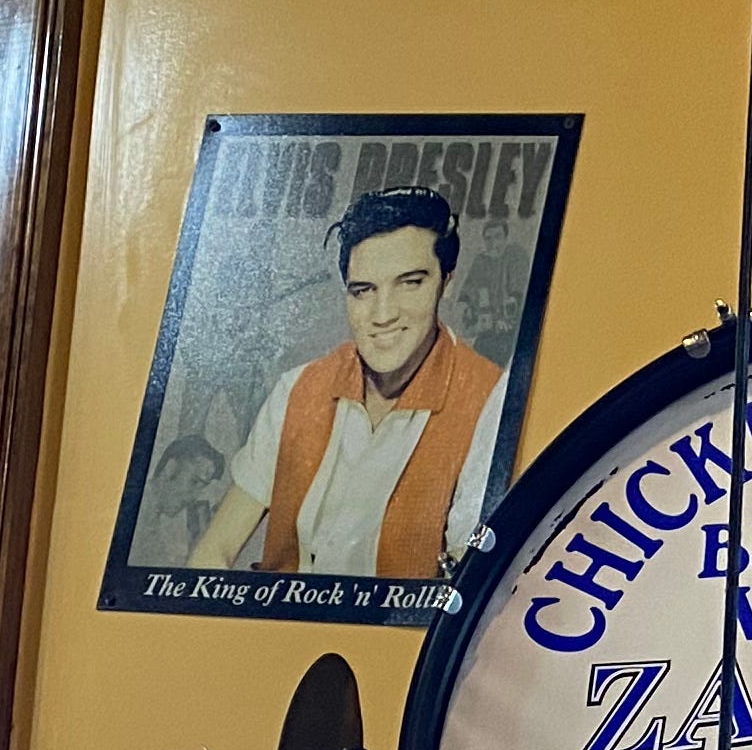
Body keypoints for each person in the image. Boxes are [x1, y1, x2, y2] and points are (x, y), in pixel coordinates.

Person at [187, 185, 510, 582]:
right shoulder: (299, 387)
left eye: (410, 283)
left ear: (447, 282)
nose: (383, 314)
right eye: (363, 291)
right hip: (277, 618)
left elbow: (470, 582)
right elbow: (213, 551)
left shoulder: (489, 399)